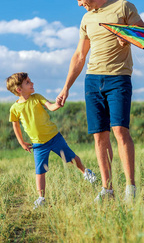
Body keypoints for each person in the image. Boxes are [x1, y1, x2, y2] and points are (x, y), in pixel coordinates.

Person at [56, 0, 144, 202]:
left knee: (120, 131)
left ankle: (130, 189)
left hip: (118, 78)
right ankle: (107, 189)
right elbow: (79, 55)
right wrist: (66, 87)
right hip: (92, 80)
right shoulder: (86, 19)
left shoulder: (123, 6)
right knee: (99, 136)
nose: (79, 4)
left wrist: (128, 38)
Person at [6, 72, 97, 209]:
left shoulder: (37, 97)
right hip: (38, 144)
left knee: (71, 158)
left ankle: (86, 172)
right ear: (19, 89)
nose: (32, 83)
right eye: (28, 82)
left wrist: (58, 104)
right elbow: (15, 125)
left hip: (54, 137)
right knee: (40, 171)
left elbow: (50, 106)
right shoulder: (14, 108)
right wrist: (22, 142)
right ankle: (41, 198)